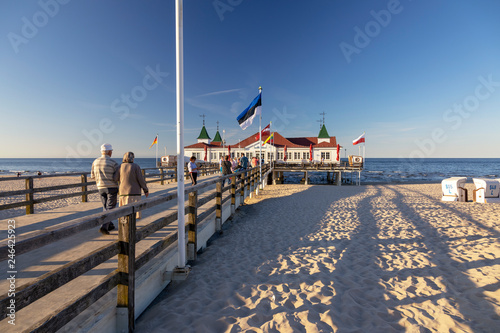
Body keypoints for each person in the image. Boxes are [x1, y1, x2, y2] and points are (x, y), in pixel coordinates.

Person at [91, 143, 119, 235]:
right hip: (112, 187)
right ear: (109, 152)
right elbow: (117, 177)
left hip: (100, 187)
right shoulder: (113, 162)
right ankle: (104, 227)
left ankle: (109, 225)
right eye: (111, 151)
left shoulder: (95, 162)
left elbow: (92, 176)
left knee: (105, 207)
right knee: (110, 207)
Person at [116, 152, 149, 219]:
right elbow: (141, 180)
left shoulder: (120, 166)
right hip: (135, 192)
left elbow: (115, 178)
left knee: (124, 211)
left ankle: (126, 227)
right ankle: (132, 227)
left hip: (123, 192)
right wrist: (145, 190)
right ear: (132, 158)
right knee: (134, 210)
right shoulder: (136, 166)